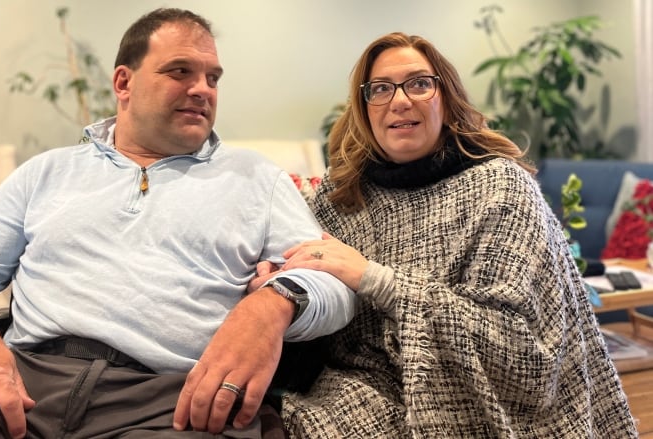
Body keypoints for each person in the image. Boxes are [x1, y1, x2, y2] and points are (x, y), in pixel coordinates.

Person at [0, 8, 356, 438]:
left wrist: (272, 306)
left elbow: (334, 287)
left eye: (213, 78)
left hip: (174, 402)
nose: (203, 89)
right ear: (124, 81)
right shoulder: (48, 172)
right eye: (181, 71)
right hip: (23, 385)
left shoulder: (258, 178)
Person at [250, 32, 638, 437]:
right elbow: (320, 334)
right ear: (364, 109)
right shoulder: (336, 199)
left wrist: (375, 279)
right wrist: (281, 292)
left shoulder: (501, 188)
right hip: (351, 398)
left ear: (447, 99)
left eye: (419, 83)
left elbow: (524, 361)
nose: (400, 101)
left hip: (475, 412)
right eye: (380, 89)